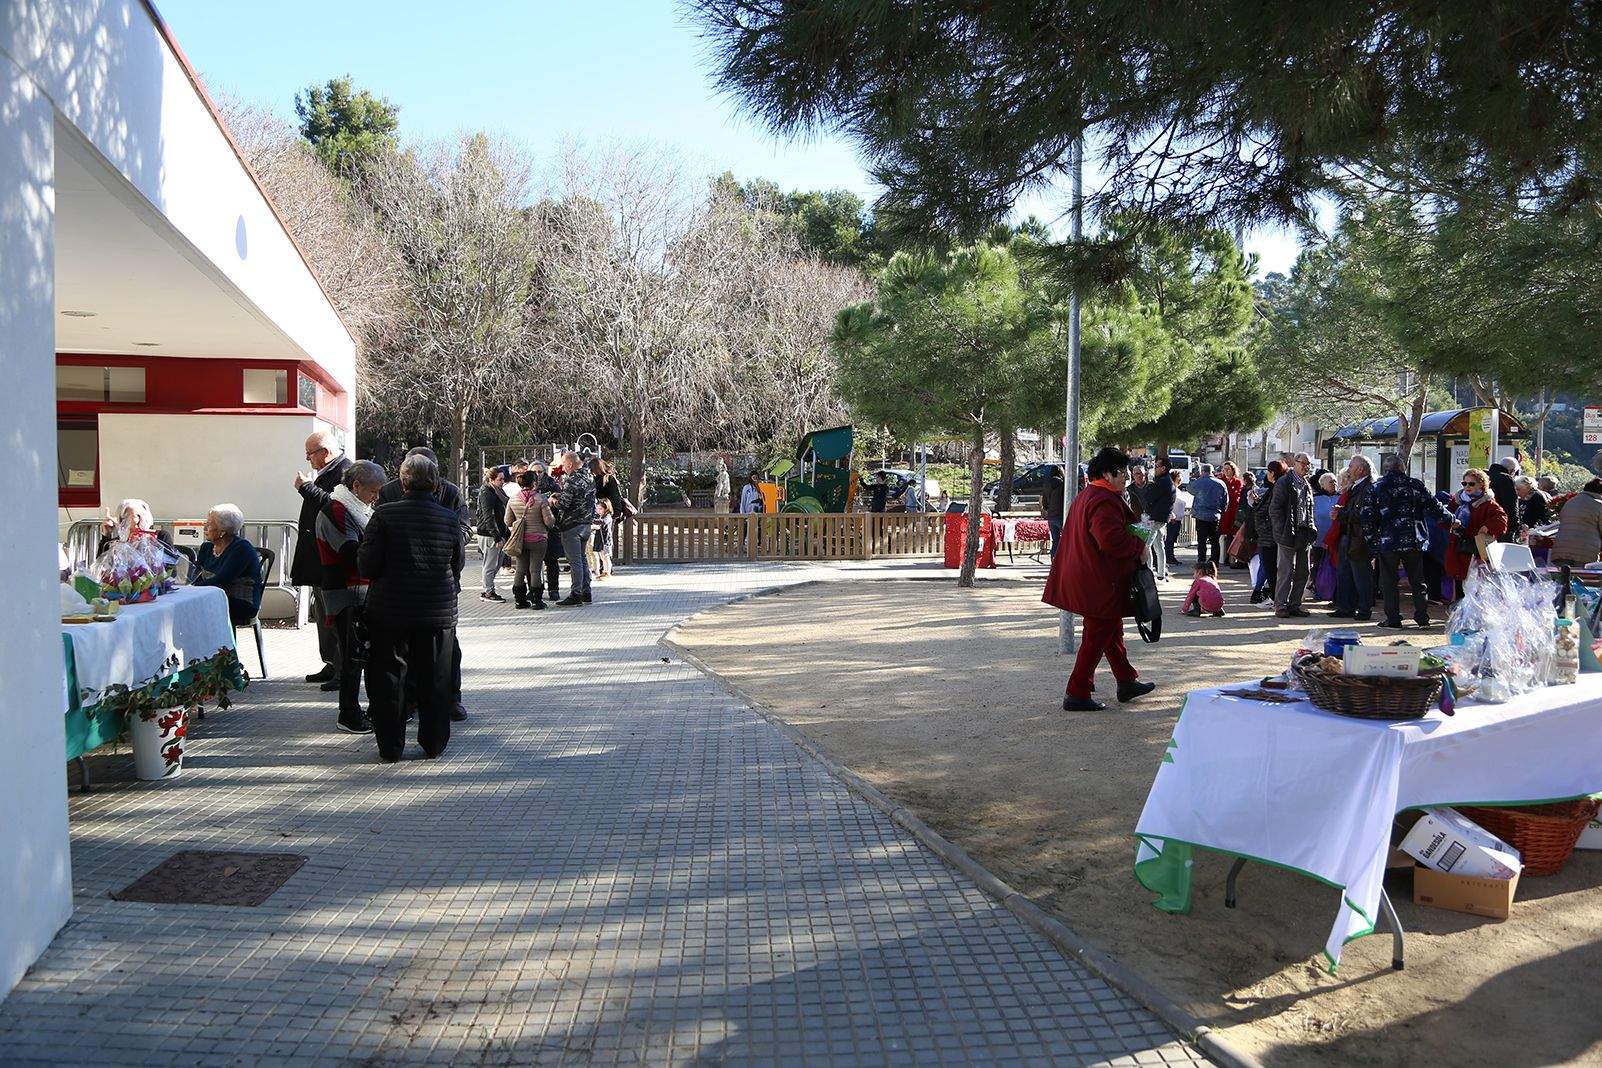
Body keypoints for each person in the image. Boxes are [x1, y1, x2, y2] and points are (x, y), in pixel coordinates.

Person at [358, 454, 464, 763]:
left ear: (403, 481)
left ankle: (390, 747)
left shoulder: (384, 515)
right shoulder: (448, 518)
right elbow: (456, 564)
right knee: (435, 678)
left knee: (388, 678)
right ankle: (433, 743)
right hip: (437, 611)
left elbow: (367, 564)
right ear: (434, 483)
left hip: (389, 610)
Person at [1042, 446, 1155, 712]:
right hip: (1100, 580)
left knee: (1110, 631)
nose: (1126, 477)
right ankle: (1077, 691)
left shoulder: (1088, 494)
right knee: (1098, 636)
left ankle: (1126, 681)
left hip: (1091, 577)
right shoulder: (1103, 499)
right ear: (1108, 473)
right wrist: (1139, 546)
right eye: (1123, 473)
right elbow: (1111, 540)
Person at [378, 446, 470, 721]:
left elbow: (462, 532)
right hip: (402, 584)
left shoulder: (450, 492)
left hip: (439, 586)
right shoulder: (388, 493)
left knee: (447, 648)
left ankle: (451, 699)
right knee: (403, 649)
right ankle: (409, 701)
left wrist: (439, 546)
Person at [315, 461, 384, 733]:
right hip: (345, 593)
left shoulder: (356, 508)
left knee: (361, 654)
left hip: (360, 591)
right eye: (373, 491)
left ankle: (366, 709)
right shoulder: (335, 511)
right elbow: (351, 554)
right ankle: (348, 713)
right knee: (352, 656)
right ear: (356, 486)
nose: (376, 497)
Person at [1359, 452, 1456, 629]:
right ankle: (1422, 617)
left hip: (1388, 541)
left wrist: (1373, 543)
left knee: (1388, 582)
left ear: (1386, 469)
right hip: (1414, 540)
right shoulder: (1415, 485)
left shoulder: (1376, 487)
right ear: (1403, 468)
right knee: (1418, 581)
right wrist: (1452, 520)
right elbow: (1435, 508)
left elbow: (1366, 517)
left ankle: (1393, 619)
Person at [291, 431, 351, 687]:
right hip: (318, 557)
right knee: (321, 610)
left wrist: (307, 488)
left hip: (331, 559)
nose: (308, 459)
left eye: (310, 454)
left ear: (325, 452)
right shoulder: (330, 472)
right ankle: (330, 663)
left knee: (333, 613)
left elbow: (335, 506)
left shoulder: (346, 473)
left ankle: (341, 668)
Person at [191, 503, 264, 627]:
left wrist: (190, 588)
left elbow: (221, 581)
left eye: (209, 524)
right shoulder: (207, 547)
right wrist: (187, 586)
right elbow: (195, 576)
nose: (205, 527)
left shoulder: (241, 548)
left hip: (241, 603)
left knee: (194, 608)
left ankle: (223, 646)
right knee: (184, 606)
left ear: (222, 531)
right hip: (214, 596)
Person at [1445, 468, 1509, 597]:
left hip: (1476, 551)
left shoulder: (1489, 503)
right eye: (1464, 483)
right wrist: (1448, 522)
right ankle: (1460, 613)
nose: (1467, 487)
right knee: (1459, 583)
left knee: (1476, 588)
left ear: (1482, 484)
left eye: (1471, 483)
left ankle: (1473, 614)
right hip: (1457, 547)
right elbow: (1444, 518)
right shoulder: (1457, 501)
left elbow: (1501, 520)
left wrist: (1487, 526)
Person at [1327, 454, 1376, 620]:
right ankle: (1345, 607)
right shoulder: (1357, 486)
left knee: (1361, 575)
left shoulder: (1369, 487)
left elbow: (1365, 514)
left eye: (1351, 467)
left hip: (1359, 538)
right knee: (1345, 573)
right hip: (1348, 535)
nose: (1348, 471)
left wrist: (1341, 514)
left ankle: (1363, 609)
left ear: (1360, 469)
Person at [1269, 452, 1317, 617]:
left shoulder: (1306, 484)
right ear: (1295, 463)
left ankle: (1294, 605)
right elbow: (1275, 509)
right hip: (1287, 533)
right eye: (1303, 463)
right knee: (1286, 570)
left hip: (1304, 533)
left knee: (1304, 571)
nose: (1306, 467)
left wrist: (1312, 530)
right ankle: (1280, 605)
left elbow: (1309, 510)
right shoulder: (1284, 483)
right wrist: (1281, 529)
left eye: (1308, 464)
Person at [504, 468, 555, 609]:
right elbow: (549, 522)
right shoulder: (541, 499)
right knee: (535, 570)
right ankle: (536, 601)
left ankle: (519, 600)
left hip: (520, 540)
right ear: (534, 483)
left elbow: (508, 521)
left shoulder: (512, 499)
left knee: (520, 569)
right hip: (538, 539)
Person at [551, 451, 597, 607]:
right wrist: (562, 494)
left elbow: (564, 505)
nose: (563, 468)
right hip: (586, 524)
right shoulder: (589, 476)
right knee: (582, 559)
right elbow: (581, 498)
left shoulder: (572, 480)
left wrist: (553, 501)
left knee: (575, 561)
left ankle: (575, 594)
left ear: (570, 464)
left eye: (564, 464)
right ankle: (586, 592)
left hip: (572, 526)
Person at [476, 467, 512, 602]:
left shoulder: (497, 491)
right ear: (491, 480)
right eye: (500, 479)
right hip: (489, 533)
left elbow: (502, 510)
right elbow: (488, 516)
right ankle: (487, 591)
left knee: (496, 564)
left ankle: (489, 589)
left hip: (498, 531)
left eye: (503, 479)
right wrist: (496, 536)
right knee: (490, 565)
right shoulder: (487, 492)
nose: (503, 482)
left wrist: (505, 533)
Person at [1551, 478, 1602, 566]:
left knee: (1563, 578)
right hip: (1585, 552)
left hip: (1561, 550)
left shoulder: (1570, 502)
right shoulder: (1599, 505)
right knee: (1581, 578)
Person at [1250, 463, 1281, 603]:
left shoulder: (1276, 489)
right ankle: (1262, 593)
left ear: (1273, 473)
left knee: (1269, 567)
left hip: (1270, 536)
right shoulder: (1271, 489)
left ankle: (1274, 597)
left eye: (1269, 471)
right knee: (1267, 566)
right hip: (1266, 536)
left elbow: (1271, 512)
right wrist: (1257, 502)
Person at [1188, 463, 1227, 567]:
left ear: (1202, 471)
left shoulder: (1199, 482)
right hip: (1215, 516)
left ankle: (1201, 561)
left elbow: (1189, 489)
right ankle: (1215, 562)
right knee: (1215, 541)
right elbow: (1225, 501)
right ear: (1212, 471)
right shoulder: (1221, 483)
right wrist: (1221, 511)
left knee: (1202, 541)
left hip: (1201, 515)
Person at [1144, 458, 1176, 576]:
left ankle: (1148, 572)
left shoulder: (1162, 481)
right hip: (1159, 517)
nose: (1154, 469)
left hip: (1154, 517)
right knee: (1158, 545)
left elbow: (1149, 497)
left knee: (1146, 545)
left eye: (1156, 466)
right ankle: (1161, 572)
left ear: (1163, 468)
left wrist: (1150, 485)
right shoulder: (1167, 481)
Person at [1310, 471, 1339, 595]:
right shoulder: (1315, 499)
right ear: (1322, 485)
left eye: (1335, 481)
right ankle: (1318, 588)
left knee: (1335, 565)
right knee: (1318, 564)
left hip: (1335, 539)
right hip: (1319, 538)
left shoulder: (1340, 497)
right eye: (1330, 482)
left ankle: (1334, 590)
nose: (1334, 484)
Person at [1488, 457, 1520, 542]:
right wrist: (1515, 526)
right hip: (1501, 523)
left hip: (1484, 522)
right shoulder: (1506, 479)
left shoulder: (1486, 476)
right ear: (1512, 471)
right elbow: (1511, 505)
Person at [1166, 471, 1192, 569]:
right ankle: (1169, 556)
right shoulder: (1171, 489)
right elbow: (1169, 504)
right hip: (1173, 519)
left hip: (1178, 518)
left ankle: (1171, 556)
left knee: (1172, 539)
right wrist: (1170, 515)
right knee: (1170, 539)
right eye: (1179, 478)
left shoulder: (1176, 489)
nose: (1181, 480)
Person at [1043, 464, 1067, 556]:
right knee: (1066, 539)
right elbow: (1068, 486)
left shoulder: (1047, 485)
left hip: (1051, 516)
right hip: (1060, 515)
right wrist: (1064, 474)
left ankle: (1053, 560)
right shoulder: (1061, 484)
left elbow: (1044, 503)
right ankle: (1062, 559)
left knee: (1055, 540)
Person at [1218, 461, 1244, 541]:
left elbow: (1236, 495)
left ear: (1233, 470)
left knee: (1231, 533)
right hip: (1222, 510)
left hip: (1233, 510)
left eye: (1228, 469)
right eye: (1224, 469)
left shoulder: (1237, 482)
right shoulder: (1220, 480)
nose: (1226, 471)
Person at [594, 499, 614, 578]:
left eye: (600, 509)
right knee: (602, 556)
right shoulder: (600, 515)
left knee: (606, 556)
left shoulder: (607, 516)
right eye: (597, 508)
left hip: (605, 539)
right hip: (600, 538)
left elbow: (603, 522)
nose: (598, 510)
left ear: (606, 508)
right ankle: (604, 571)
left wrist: (593, 521)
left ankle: (607, 572)